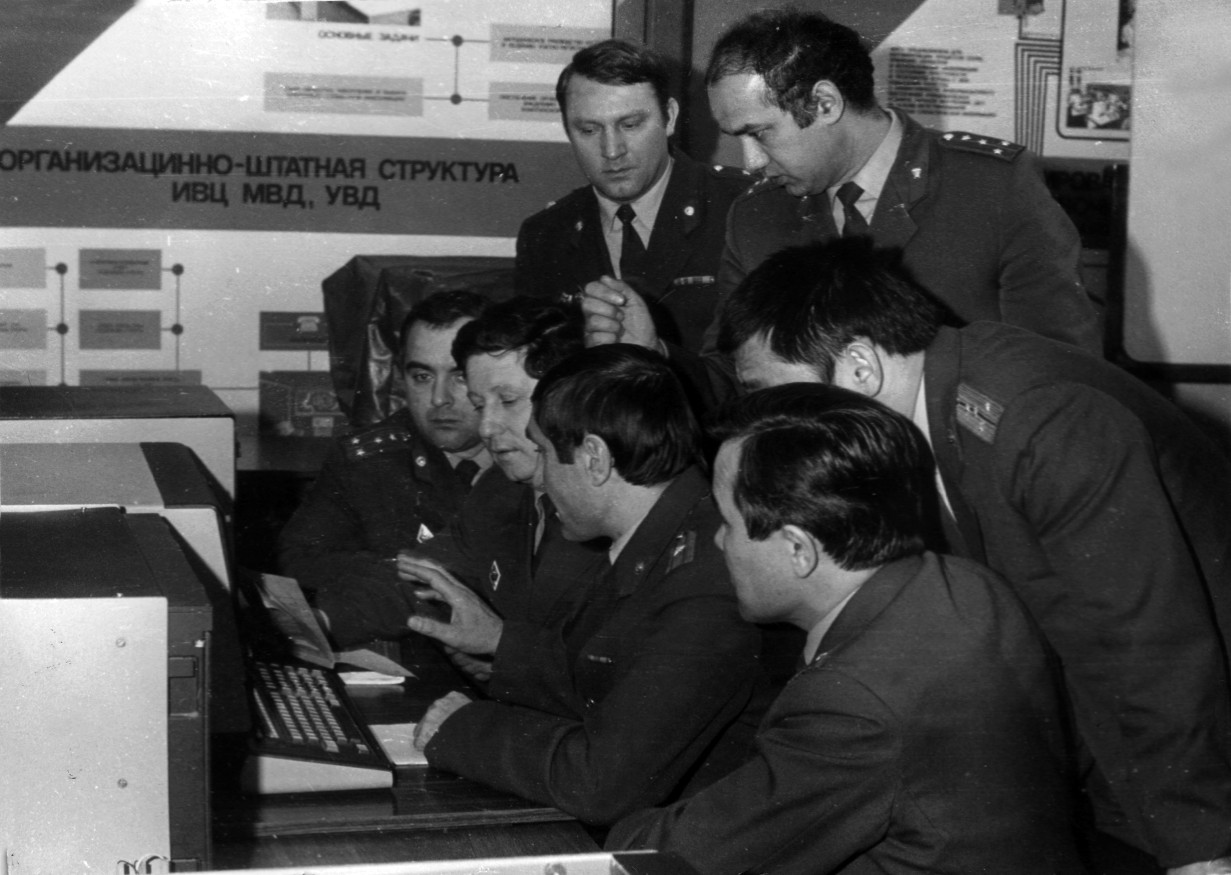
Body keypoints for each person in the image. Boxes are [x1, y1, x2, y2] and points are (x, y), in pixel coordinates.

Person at [720, 239, 1231, 875]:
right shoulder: (930, 409)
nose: (765, 425)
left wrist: (1200, 850)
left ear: (859, 367)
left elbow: (1151, 646)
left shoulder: (1041, 420)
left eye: (771, 396)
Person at [608, 383, 1085, 874]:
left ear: (799, 549)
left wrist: (616, 831)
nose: (718, 540)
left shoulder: (852, 704)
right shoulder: (966, 582)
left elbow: (678, 857)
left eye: (728, 523)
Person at [581, 8, 1101, 402]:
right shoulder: (758, 216)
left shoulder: (990, 187)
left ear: (825, 103)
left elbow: (1063, 375)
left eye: (760, 133)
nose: (752, 161)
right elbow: (736, 375)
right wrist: (657, 355)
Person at [403, 345, 763, 826]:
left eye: (546, 454)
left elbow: (601, 782)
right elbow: (603, 677)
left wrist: (461, 727)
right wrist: (502, 644)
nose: (542, 477)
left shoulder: (704, 583)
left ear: (594, 458)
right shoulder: (663, 532)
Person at [275, 290, 492, 646]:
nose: (439, 398)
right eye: (422, 376)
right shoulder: (367, 462)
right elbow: (298, 560)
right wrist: (405, 568)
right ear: (400, 378)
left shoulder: (532, 458)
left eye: (460, 377)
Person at [516, 38, 752, 357]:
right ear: (567, 130)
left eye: (629, 125)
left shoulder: (741, 207)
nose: (612, 150)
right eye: (589, 130)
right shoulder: (544, 236)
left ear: (669, 117)